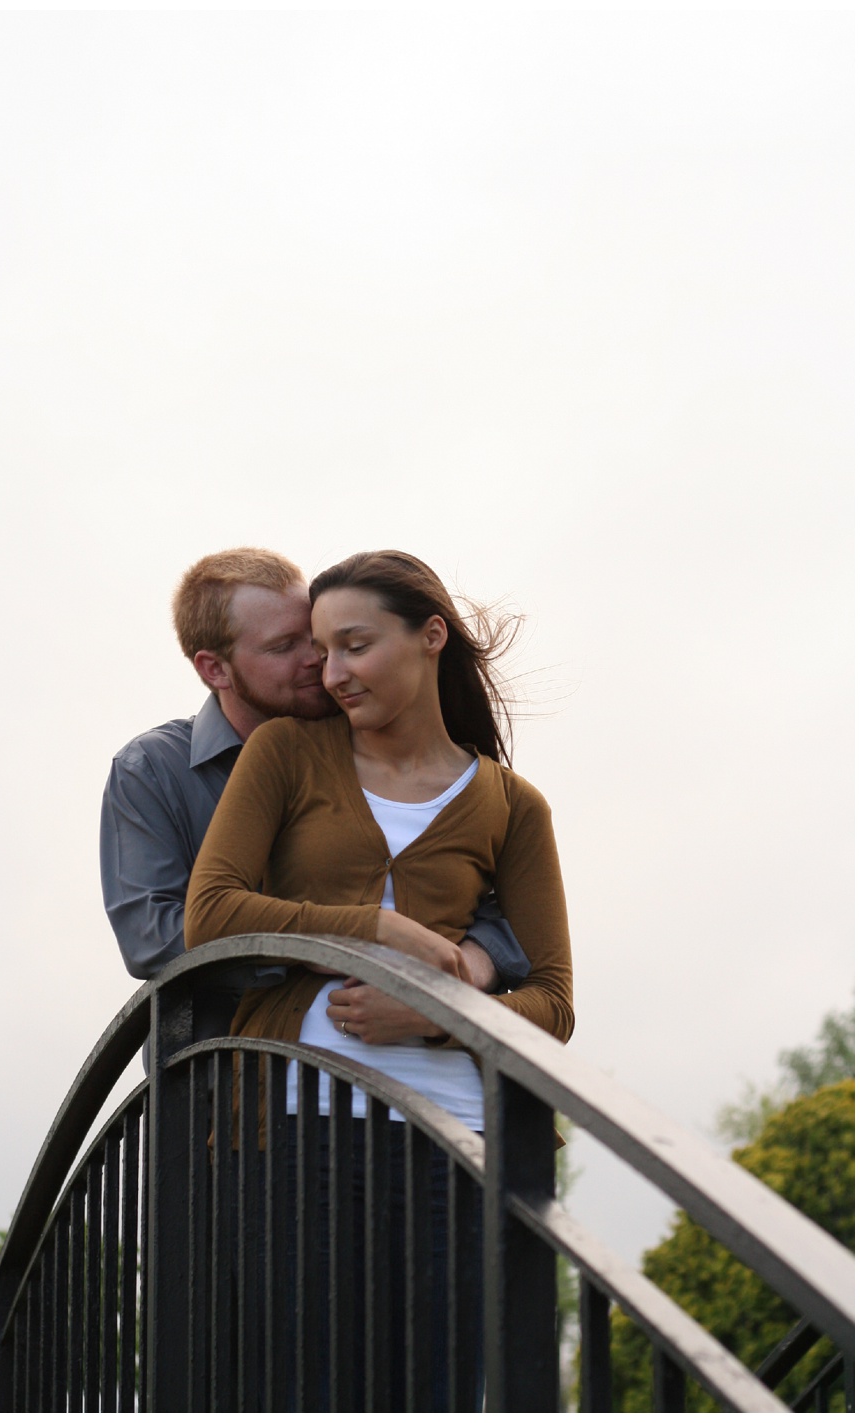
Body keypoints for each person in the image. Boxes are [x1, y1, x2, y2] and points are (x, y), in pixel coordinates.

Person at [183, 549, 575, 1407]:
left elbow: (551, 1002)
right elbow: (210, 913)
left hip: (461, 1137)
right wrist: (374, 929)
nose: (332, 672)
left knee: (440, 1390)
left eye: (353, 645)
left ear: (429, 636)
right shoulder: (286, 751)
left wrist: (436, 1014)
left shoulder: (513, 804)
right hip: (295, 1119)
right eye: (320, 651)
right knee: (305, 1386)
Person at [99, 547, 532, 1021]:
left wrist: (463, 974)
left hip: (400, 1049)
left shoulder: (379, 739)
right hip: (224, 1076)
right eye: (284, 647)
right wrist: (346, 942)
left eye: (318, 640)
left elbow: (491, 908)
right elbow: (152, 937)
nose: (319, 663)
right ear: (214, 669)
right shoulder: (151, 769)